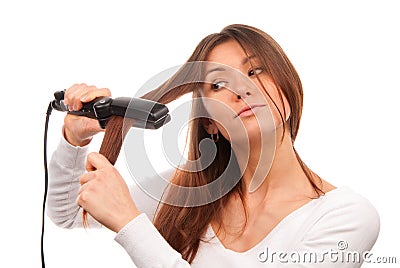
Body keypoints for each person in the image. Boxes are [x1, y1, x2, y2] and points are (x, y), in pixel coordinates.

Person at [47, 24, 380, 267]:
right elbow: (69, 213)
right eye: (219, 84)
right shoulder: (183, 193)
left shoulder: (346, 217)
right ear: (209, 122)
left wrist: (130, 223)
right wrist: (75, 138)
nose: (241, 87)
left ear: (287, 84)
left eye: (256, 69)